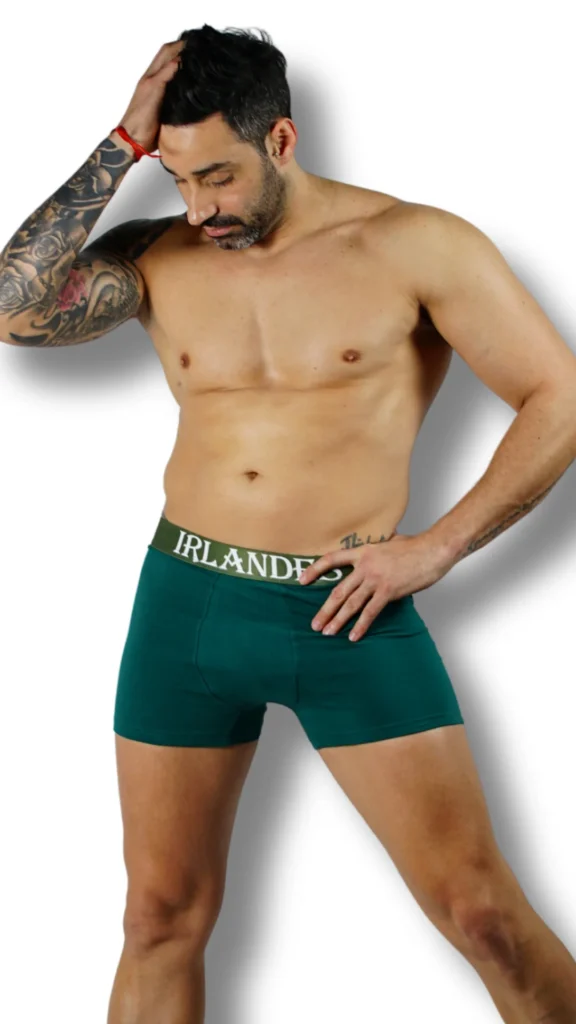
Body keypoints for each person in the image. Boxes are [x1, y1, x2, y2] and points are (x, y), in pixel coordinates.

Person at [1, 22, 576, 1024]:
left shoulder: (415, 244)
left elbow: (557, 396)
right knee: (157, 918)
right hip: (185, 607)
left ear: (281, 139)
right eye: (179, 180)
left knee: (481, 914)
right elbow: (15, 308)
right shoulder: (163, 254)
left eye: (218, 177)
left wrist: (436, 548)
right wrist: (124, 143)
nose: (200, 208)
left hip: (341, 610)